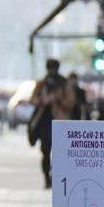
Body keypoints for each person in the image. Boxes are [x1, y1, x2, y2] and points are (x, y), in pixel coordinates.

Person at [28, 58, 77, 188]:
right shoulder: (42, 84)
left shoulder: (63, 83)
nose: (52, 71)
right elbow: (32, 99)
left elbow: (71, 102)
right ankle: (47, 177)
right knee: (45, 151)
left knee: (60, 153)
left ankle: (57, 178)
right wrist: (42, 100)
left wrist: (57, 99)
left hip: (60, 122)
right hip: (44, 121)